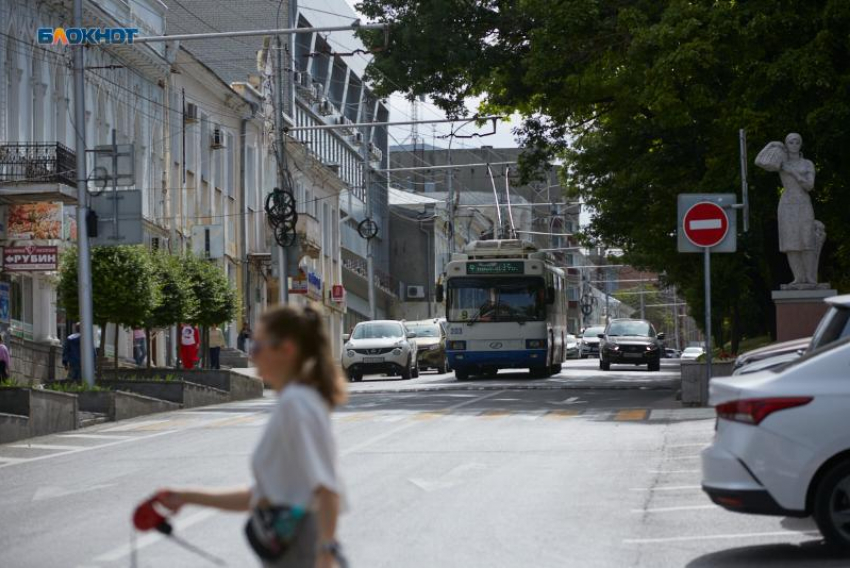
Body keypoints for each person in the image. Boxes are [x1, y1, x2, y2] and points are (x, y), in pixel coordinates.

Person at [156, 306, 348, 567]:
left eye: (258, 346)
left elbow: (327, 489)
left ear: (287, 349)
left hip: (302, 550)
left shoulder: (297, 404)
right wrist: (187, 496)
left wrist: (326, 551)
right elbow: (260, 496)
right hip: (290, 547)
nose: (251, 353)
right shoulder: (295, 401)